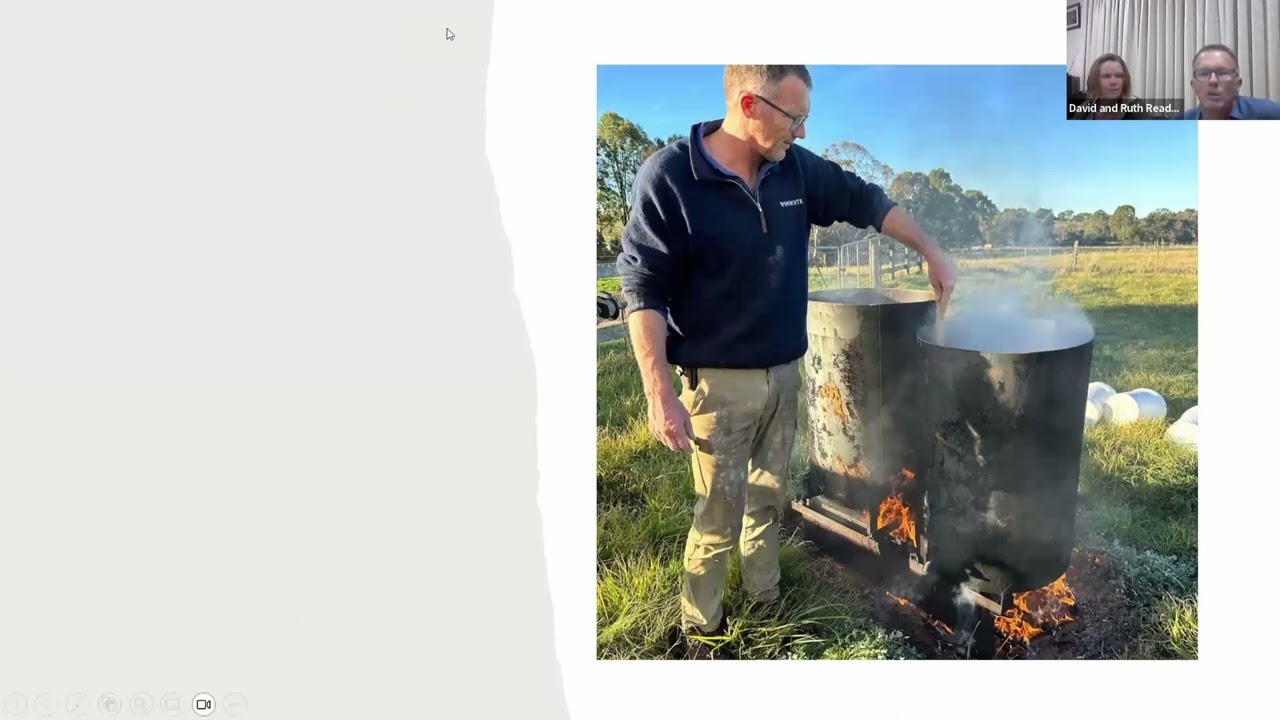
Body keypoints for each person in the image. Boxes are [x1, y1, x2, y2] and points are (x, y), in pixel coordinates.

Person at [615, 65, 958, 659]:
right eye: (794, 117)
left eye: (806, 118)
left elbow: (865, 200)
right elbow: (641, 287)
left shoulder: (794, 170)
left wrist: (930, 249)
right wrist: (657, 393)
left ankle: (767, 599)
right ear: (750, 103)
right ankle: (704, 630)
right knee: (719, 514)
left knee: (770, 497)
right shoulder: (670, 176)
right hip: (718, 386)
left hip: (785, 373)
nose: (802, 131)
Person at [1180, 44, 1280, 119]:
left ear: (1238, 84)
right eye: (1204, 73)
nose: (1213, 81)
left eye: (1223, 73)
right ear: (1193, 86)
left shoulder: (1270, 114)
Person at [1069, 53, 1155, 119]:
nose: (1114, 82)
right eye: (1106, 76)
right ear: (1095, 80)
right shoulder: (1084, 109)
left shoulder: (1136, 107)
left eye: (1119, 76)